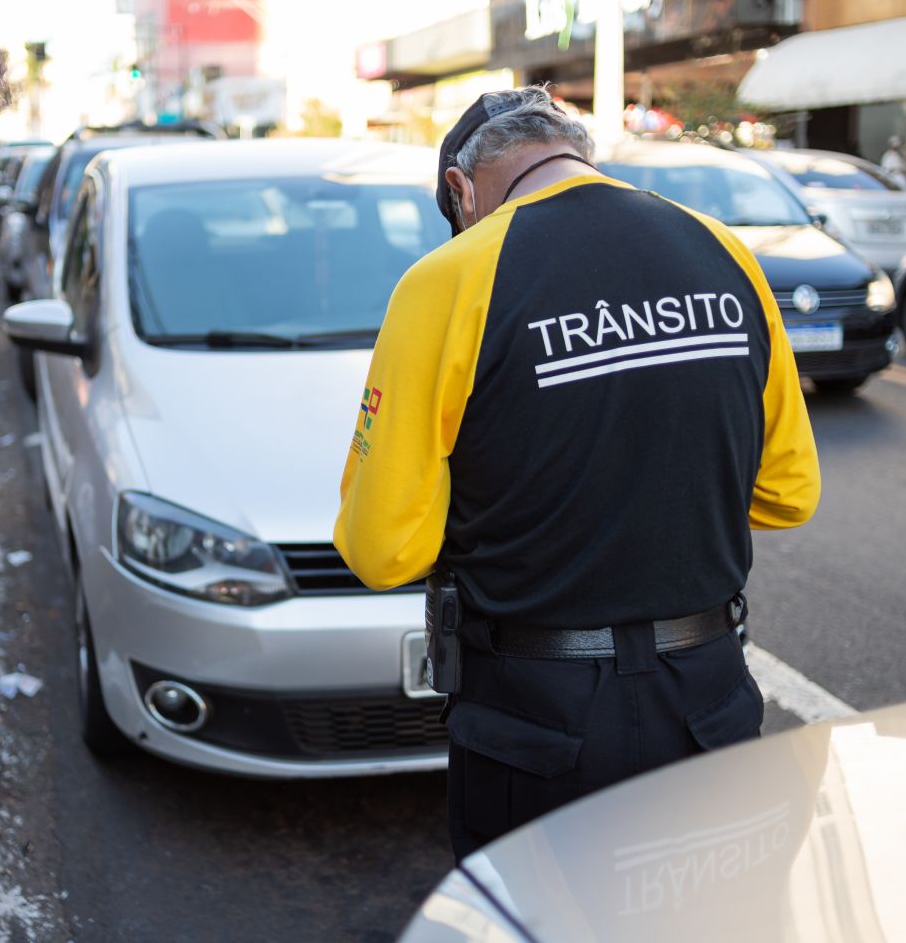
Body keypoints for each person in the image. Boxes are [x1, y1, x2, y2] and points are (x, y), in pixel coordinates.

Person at [333, 86, 821, 860]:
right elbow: (788, 493)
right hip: (709, 699)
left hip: (538, 724)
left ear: (461, 190)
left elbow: (381, 548)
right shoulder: (723, 250)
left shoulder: (449, 278)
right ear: (577, 155)